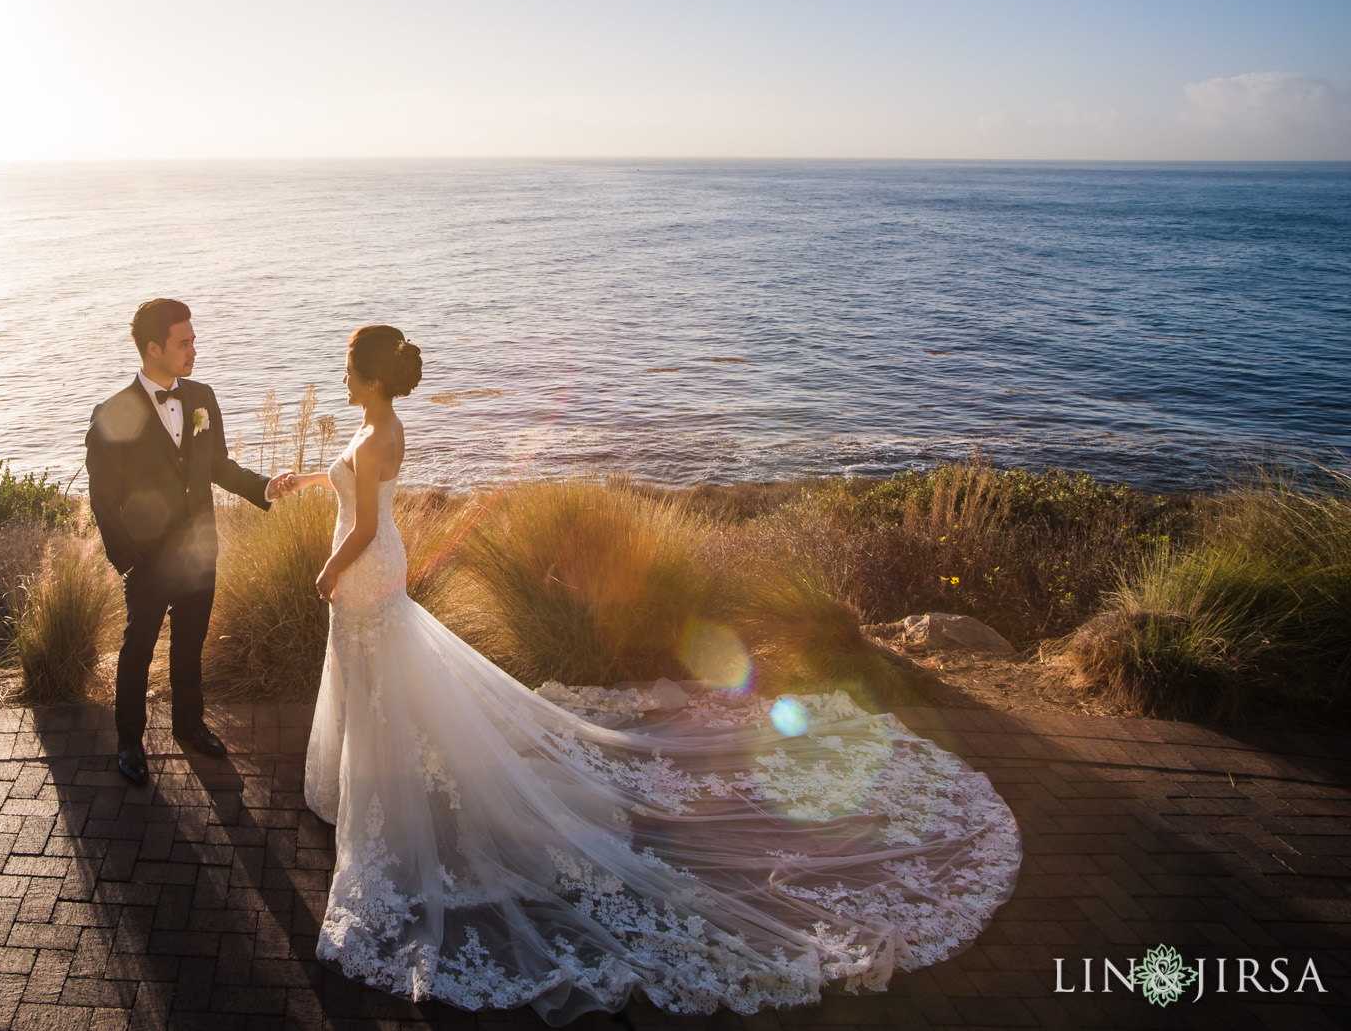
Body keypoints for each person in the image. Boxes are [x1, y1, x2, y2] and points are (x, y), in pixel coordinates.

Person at [287, 324, 1023, 1024]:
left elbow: (361, 525)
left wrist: (325, 571)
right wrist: (304, 488)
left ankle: (385, 797)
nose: (341, 375)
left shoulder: (381, 430)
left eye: (348, 365)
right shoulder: (376, 426)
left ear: (372, 374)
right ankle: (367, 782)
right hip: (373, 569)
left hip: (363, 567)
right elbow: (358, 496)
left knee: (382, 676)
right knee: (374, 675)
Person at [84, 298, 296, 787]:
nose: (194, 350)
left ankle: (189, 724)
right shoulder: (112, 413)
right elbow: (103, 500)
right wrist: (128, 564)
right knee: (138, 649)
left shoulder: (202, 397)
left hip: (200, 550)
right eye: (185, 342)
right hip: (147, 561)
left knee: (190, 644)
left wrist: (265, 486)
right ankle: (129, 741)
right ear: (154, 348)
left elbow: (216, 465)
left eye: (194, 340)